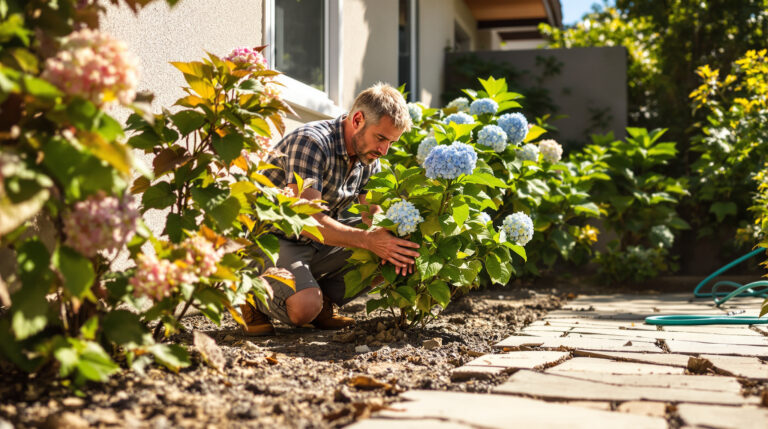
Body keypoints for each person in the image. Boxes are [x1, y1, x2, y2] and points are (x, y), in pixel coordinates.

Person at [241, 83, 421, 336]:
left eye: (391, 142)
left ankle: (322, 302)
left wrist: (393, 242)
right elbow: (305, 218)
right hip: (273, 240)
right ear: (358, 119)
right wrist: (368, 240)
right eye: (381, 138)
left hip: (316, 243)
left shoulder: (368, 158)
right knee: (304, 308)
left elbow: (373, 215)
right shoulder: (312, 142)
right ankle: (249, 292)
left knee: (391, 250)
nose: (383, 150)